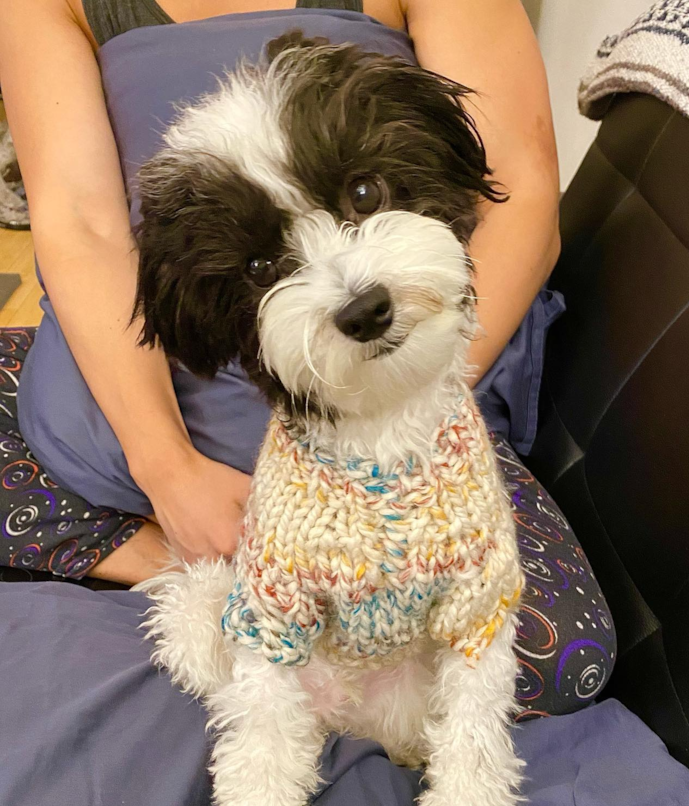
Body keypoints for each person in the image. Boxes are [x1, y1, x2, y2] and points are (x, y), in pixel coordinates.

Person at [0, 0, 614, 715]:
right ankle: (170, 558)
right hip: (146, 401)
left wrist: (403, 404)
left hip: (404, 399)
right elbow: (83, 228)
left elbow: (519, 189)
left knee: (557, 652)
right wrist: (169, 471)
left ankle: (249, 591)